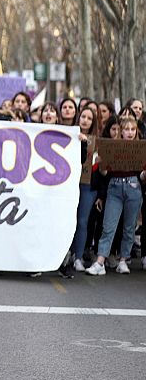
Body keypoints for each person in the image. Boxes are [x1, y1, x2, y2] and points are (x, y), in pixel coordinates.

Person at [86, 116, 144, 275]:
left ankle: (123, 260)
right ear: (121, 132)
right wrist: (101, 163)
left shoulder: (140, 148)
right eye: (126, 129)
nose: (130, 132)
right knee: (108, 226)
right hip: (114, 187)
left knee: (129, 227)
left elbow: (142, 177)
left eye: (133, 129)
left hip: (133, 187)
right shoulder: (113, 146)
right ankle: (100, 261)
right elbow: (105, 173)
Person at [62, 105, 101, 277]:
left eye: (89, 118)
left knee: (82, 221)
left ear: (93, 123)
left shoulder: (97, 141)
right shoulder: (68, 134)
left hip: (87, 186)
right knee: (67, 219)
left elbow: (98, 168)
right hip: (69, 184)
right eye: (83, 116)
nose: (85, 120)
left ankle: (78, 257)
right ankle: (65, 254)